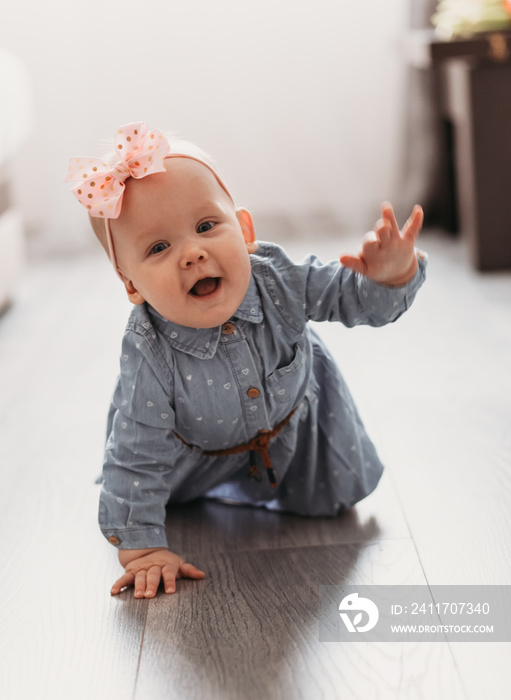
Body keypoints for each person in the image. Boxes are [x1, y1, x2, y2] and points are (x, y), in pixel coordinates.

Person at [66, 122, 427, 599]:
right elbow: (136, 448)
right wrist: (141, 548)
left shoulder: (279, 280)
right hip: (193, 451)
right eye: (158, 247)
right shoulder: (148, 350)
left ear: (246, 230)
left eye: (206, 227)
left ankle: (298, 478)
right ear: (131, 285)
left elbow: (347, 297)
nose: (192, 253)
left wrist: (389, 277)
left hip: (291, 423)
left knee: (335, 505)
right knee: (164, 488)